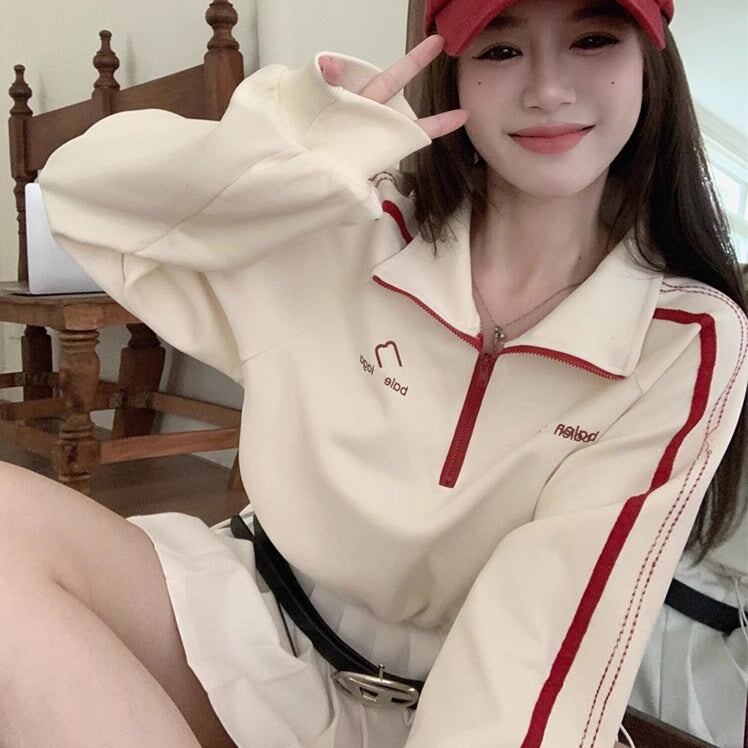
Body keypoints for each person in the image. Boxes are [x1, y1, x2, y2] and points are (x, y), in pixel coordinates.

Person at [2, 0, 745, 745]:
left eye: (593, 39)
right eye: (500, 50)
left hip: (441, 710)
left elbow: (538, 638)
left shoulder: (683, 339)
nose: (548, 90)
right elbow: (81, 197)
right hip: (248, 621)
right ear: (452, 71)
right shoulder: (359, 224)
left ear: (650, 62)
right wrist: (292, 154)